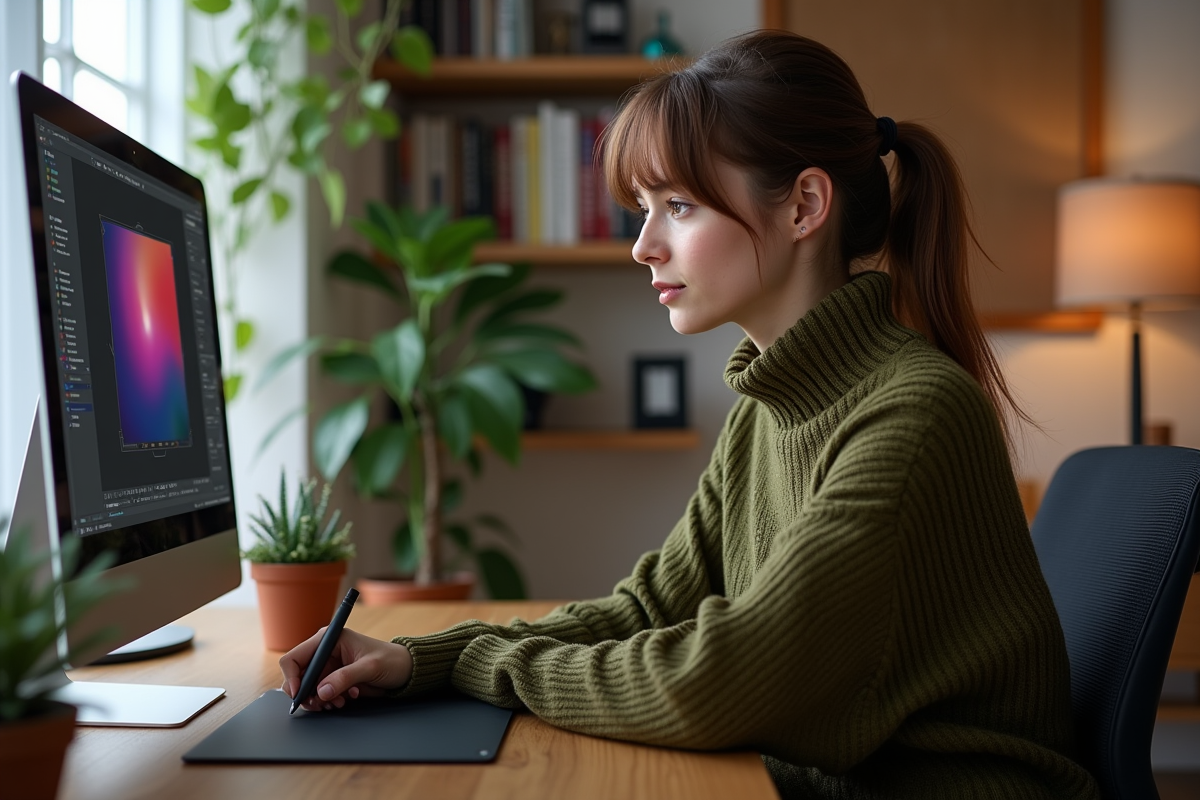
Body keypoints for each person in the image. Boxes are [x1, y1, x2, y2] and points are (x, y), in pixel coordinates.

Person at [281, 30, 1101, 799]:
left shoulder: (914, 414)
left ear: (805, 206)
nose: (643, 246)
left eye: (677, 206)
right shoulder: (769, 407)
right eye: (645, 207)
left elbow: (715, 684)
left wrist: (484, 665)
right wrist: (421, 659)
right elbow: (648, 611)